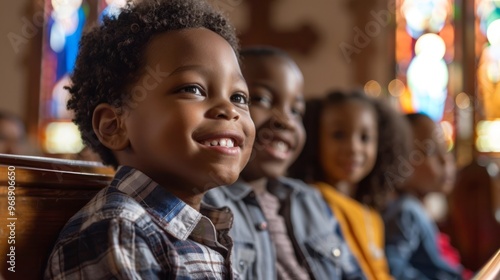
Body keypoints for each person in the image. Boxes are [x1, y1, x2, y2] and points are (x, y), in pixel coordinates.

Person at [44, 0, 255, 279]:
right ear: (113, 127)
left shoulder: (210, 229)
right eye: (193, 89)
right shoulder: (118, 231)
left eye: (238, 97)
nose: (228, 110)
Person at [204, 47, 365, 280]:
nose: (286, 121)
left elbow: (353, 274)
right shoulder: (210, 204)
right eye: (261, 99)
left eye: (296, 110)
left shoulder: (310, 201)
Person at [289, 90, 412, 280]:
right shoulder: (313, 202)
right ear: (315, 139)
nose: (354, 148)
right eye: (338, 135)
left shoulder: (371, 215)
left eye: (365, 138)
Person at [382, 113, 463, 279]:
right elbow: (393, 268)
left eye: (445, 149)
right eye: (430, 152)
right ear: (399, 163)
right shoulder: (405, 212)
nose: (445, 160)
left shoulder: (418, 208)